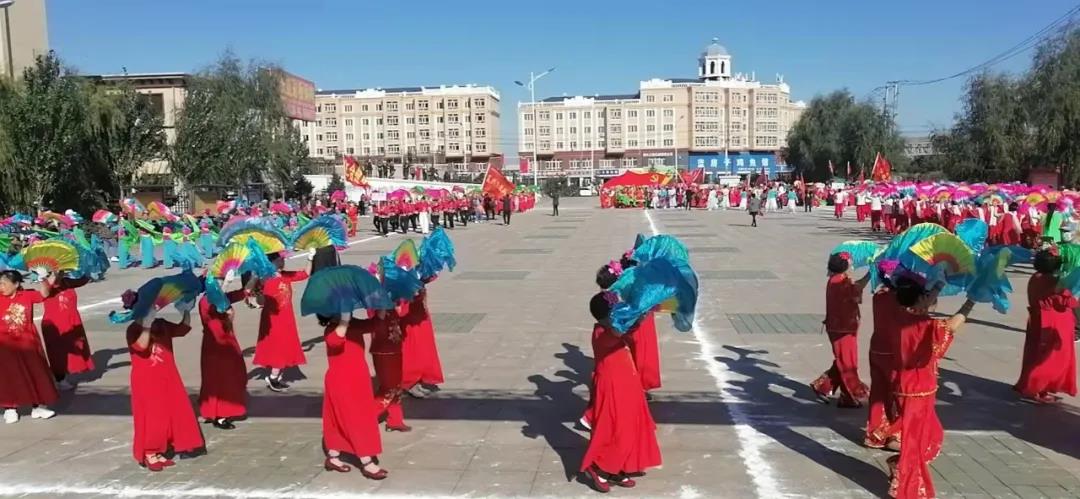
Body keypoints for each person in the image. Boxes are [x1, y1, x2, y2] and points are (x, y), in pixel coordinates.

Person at [887, 275, 974, 499]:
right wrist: (971, 301)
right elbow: (951, 326)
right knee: (915, 440)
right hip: (917, 390)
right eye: (925, 296)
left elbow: (920, 303)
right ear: (918, 301)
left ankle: (901, 467)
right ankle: (906, 486)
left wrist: (939, 284)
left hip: (905, 386)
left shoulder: (897, 315)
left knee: (926, 434)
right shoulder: (926, 326)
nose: (930, 299)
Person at [580, 292, 661, 492]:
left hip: (627, 383)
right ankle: (599, 466)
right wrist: (635, 311)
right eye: (615, 310)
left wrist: (643, 310)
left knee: (631, 426)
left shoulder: (612, 328)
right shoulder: (602, 333)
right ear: (607, 316)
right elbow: (618, 331)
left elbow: (631, 328)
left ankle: (617, 467)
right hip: (612, 386)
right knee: (615, 428)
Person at [125, 298, 203, 470]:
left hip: (168, 375)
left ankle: (163, 447)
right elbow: (141, 347)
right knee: (153, 416)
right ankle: (149, 451)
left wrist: (186, 310)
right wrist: (146, 325)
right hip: (146, 380)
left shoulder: (161, 324)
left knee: (172, 411)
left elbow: (183, 329)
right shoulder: (133, 329)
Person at [321, 313, 388, 479]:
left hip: (359, 379)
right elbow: (335, 341)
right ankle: (366, 461)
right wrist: (344, 319)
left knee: (338, 419)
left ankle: (333, 456)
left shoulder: (354, 324)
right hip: (342, 381)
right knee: (355, 419)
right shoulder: (331, 330)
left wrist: (382, 309)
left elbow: (374, 325)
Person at [1014, 249, 1077, 403]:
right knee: (1052, 357)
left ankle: (1032, 385)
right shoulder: (1054, 282)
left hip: (1037, 319)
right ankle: (1036, 387)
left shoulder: (1035, 277)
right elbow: (1067, 302)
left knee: (1035, 353)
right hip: (1054, 322)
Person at [811, 253, 871, 407]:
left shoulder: (837, 279)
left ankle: (830, 389)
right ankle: (848, 393)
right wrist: (870, 274)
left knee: (845, 359)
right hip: (842, 328)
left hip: (842, 326)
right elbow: (857, 289)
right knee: (847, 362)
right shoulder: (841, 282)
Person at [0, 270, 57, 424]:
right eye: (0, 284)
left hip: (28, 343)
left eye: (4, 284)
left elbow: (44, 294)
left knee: (35, 373)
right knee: (7, 376)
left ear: (16, 284)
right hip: (5, 345)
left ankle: (38, 406)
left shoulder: (27, 295)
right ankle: (10, 408)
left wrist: (43, 278)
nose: (1, 287)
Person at [197, 282, 250, 430]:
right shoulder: (206, 301)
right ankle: (220, 415)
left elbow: (242, 293)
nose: (222, 282)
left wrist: (254, 277)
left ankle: (220, 410)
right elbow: (216, 314)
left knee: (232, 374)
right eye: (219, 280)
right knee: (220, 377)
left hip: (227, 342)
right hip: (216, 344)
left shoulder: (220, 297)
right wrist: (229, 315)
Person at [254, 253, 309, 392]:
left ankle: (277, 377)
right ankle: (273, 377)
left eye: (283, 259)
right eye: (279, 260)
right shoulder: (265, 278)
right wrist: (257, 291)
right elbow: (259, 300)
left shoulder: (285, 275)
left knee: (286, 345)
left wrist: (310, 258)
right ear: (271, 262)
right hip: (273, 319)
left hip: (287, 318)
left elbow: (305, 274)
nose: (282, 261)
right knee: (279, 346)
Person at [865, 270, 902, 450]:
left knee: (878, 392)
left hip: (877, 348)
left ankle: (873, 434)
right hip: (893, 351)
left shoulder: (878, 296)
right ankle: (894, 434)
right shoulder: (899, 300)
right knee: (896, 393)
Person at [39, 271, 94, 391]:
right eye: (59, 271)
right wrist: (46, 278)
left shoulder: (67, 282)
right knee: (58, 353)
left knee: (73, 349)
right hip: (55, 324)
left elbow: (82, 280)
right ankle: (59, 378)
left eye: (62, 271)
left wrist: (89, 268)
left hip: (71, 321)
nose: (62, 273)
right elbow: (44, 293)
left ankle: (64, 374)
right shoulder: (47, 284)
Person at [399, 286, 444, 398]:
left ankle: (417, 379)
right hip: (402, 299)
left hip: (416, 303)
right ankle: (409, 381)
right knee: (409, 343)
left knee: (421, 342)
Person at [370, 309, 410, 432]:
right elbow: (377, 325)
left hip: (395, 348)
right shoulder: (378, 304)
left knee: (397, 386)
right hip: (384, 351)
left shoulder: (392, 305)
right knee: (388, 388)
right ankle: (366, 417)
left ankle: (395, 420)